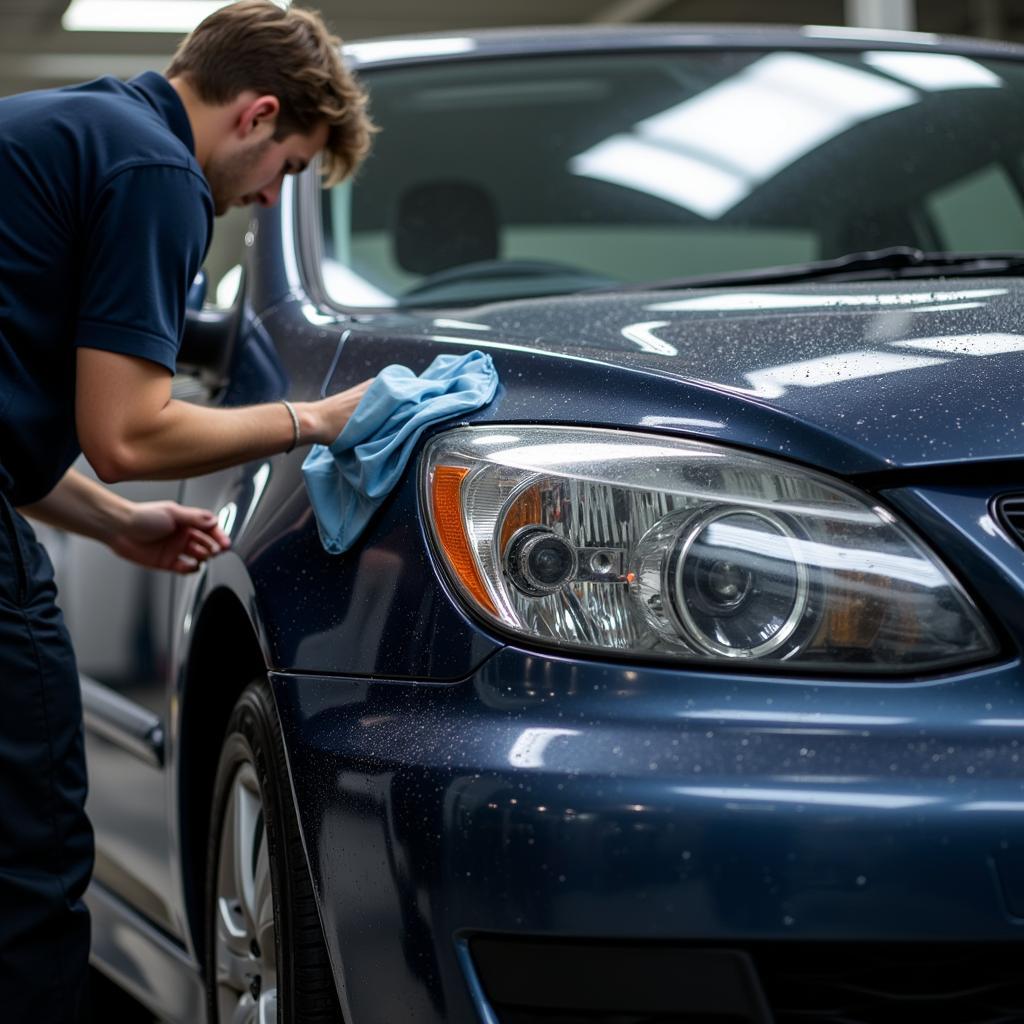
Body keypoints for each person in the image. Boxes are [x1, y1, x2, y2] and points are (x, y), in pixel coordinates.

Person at [0, 2, 376, 1020]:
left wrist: (114, 524)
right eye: (287, 170)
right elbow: (130, 433)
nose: (265, 196)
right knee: (27, 852)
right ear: (258, 115)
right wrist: (316, 417)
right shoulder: (158, 175)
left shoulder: (73, 129)